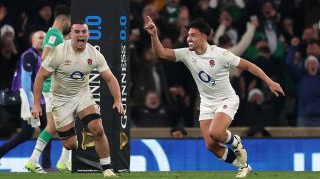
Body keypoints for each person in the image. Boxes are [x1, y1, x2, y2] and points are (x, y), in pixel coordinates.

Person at [144, 16, 285, 178]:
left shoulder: (221, 54)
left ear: (204, 36)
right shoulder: (186, 54)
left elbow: (248, 65)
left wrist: (270, 82)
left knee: (216, 133)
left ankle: (236, 142)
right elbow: (161, 53)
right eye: (188, 35)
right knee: (211, 145)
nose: (189, 38)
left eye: (193, 35)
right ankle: (243, 166)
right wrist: (154, 35)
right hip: (206, 103)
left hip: (227, 100)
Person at [32, 21, 124, 177]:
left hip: (82, 95)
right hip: (60, 99)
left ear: (88, 34)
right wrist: (36, 104)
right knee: (69, 145)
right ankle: (70, 130)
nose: (81, 35)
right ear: (71, 35)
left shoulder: (93, 53)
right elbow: (40, 77)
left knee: (98, 129)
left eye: (84, 32)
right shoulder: (59, 52)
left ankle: (107, 169)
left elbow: (110, 78)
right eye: (78, 32)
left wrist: (118, 100)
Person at [24, 4, 72, 173]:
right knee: (63, 122)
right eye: (69, 22)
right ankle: (62, 160)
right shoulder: (53, 34)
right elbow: (46, 55)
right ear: (64, 19)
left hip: (54, 87)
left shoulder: (57, 35)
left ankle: (38, 160)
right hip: (53, 87)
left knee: (54, 125)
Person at [0, 31, 52, 170]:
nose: (43, 39)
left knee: (29, 132)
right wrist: (32, 104)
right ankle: (46, 165)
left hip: (36, 98)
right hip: (28, 97)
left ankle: (46, 164)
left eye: (45, 37)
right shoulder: (30, 55)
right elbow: (25, 80)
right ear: (32, 40)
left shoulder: (39, 56)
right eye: (40, 37)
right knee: (46, 129)